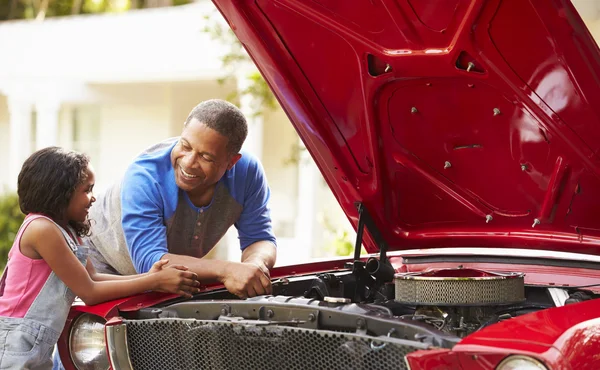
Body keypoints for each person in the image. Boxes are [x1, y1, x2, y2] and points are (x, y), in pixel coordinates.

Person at [0, 147, 201, 369]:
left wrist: (149, 277)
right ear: (60, 191)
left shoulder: (66, 231)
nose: (93, 197)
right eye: (87, 190)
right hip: (15, 339)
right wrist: (154, 282)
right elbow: (89, 292)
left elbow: (93, 277)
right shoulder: (41, 229)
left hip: (36, 341)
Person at [88, 99, 277, 299]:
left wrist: (254, 265)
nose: (189, 163)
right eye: (185, 146)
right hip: (101, 266)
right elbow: (151, 262)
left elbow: (260, 238)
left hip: (169, 277)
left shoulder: (247, 173)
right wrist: (226, 270)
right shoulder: (145, 177)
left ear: (231, 162)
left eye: (206, 157)